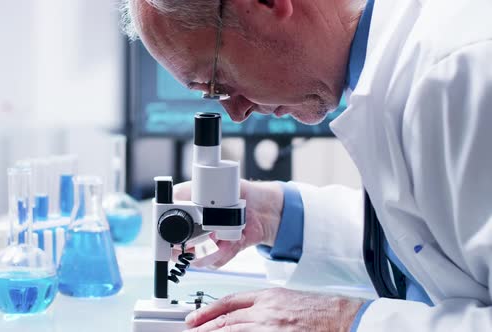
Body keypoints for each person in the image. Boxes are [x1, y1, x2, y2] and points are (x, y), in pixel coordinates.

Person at [122, 0, 492, 331]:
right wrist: (273, 215)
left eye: (218, 82)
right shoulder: (399, 65)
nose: (235, 113)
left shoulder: (463, 70)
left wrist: (347, 323)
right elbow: (433, 248)